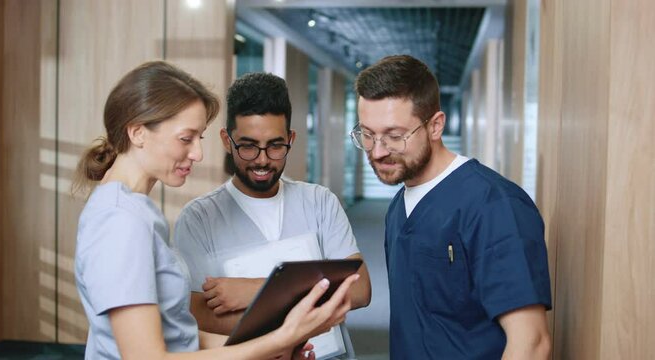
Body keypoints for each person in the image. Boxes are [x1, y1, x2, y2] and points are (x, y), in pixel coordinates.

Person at [73, 61, 359, 360]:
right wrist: (279, 341)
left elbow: (179, 336)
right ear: (137, 133)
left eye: (200, 138)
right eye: (186, 138)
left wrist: (277, 348)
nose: (197, 153)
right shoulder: (121, 220)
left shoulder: (136, 211)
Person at [353, 55, 552, 359]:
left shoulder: (493, 205)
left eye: (394, 136)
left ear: (435, 126)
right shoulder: (398, 209)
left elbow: (532, 343)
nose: (378, 151)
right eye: (367, 135)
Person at [173, 72, 371, 337]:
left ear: (290, 139)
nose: (263, 161)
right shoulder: (199, 218)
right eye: (248, 146)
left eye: (275, 146)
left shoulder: (320, 202)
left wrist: (257, 290)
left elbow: (359, 289)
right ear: (226, 141)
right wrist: (313, 301)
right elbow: (198, 314)